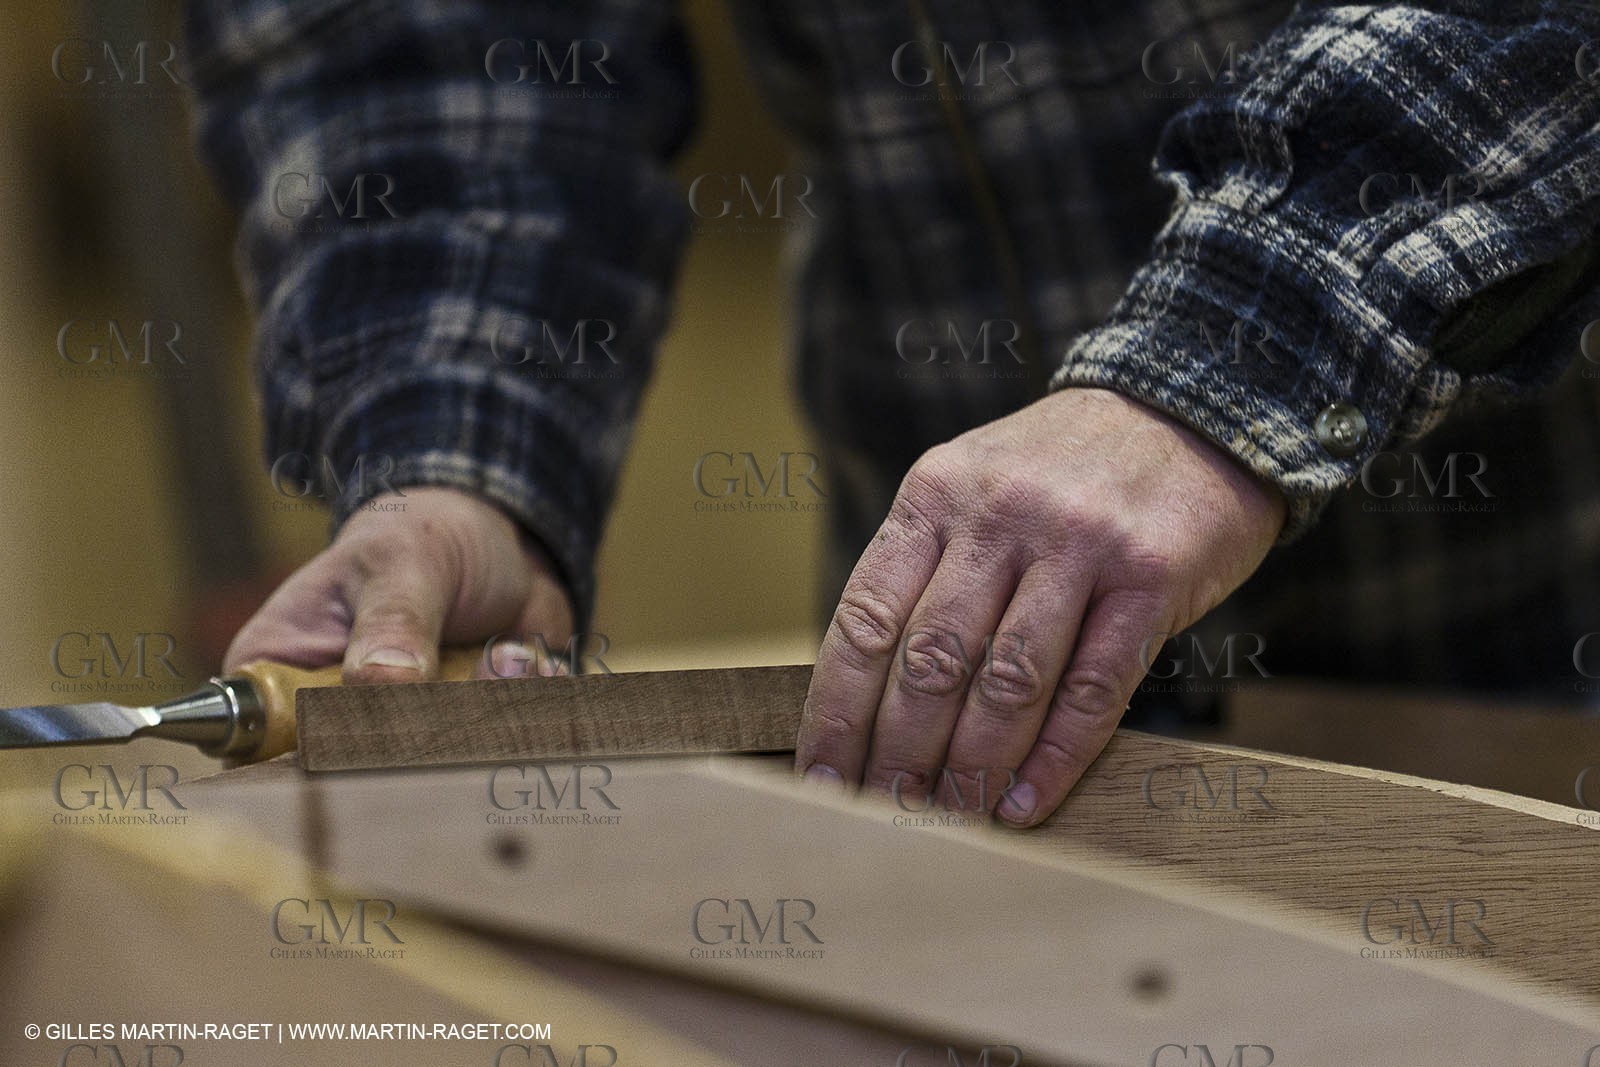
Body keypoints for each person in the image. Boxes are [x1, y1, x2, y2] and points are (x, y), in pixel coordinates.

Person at [186, 0, 1600, 827]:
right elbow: (441, 43)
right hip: (948, 730)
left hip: (1531, 666)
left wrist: (1225, 365)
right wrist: (458, 455)